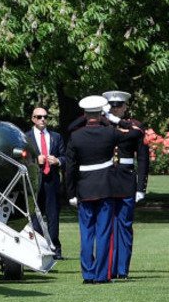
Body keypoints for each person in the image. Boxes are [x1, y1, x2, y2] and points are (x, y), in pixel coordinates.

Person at [64, 96, 143, 284]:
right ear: (101, 114)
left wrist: (71, 193)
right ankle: (101, 275)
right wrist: (116, 120)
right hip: (105, 189)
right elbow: (136, 132)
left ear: (84, 115)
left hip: (84, 189)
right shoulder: (110, 133)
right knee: (103, 233)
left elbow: (69, 169)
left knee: (86, 233)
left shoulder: (76, 136)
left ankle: (88, 274)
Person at [103, 89, 149, 280]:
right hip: (105, 179)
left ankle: (122, 269)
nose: (116, 110)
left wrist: (141, 188)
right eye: (112, 107)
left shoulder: (135, 128)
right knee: (107, 225)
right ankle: (108, 268)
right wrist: (108, 118)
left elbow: (144, 159)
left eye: (119, 106)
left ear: (124, 107)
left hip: (126, 179)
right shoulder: (102, 124)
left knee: (124, 225)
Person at [26, 106, 66, 260]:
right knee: (35, 217)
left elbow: (66, 157)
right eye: (39, 116)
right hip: (34, 182)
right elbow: (21, 159)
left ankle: (55, 249)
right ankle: (39, 249)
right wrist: (36, 160)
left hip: (52, 181)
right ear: (33, 119)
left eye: (45, 117)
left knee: (53, 216)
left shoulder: (56, 137)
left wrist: (58, 160)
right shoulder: (26, 137)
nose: (43, 119)